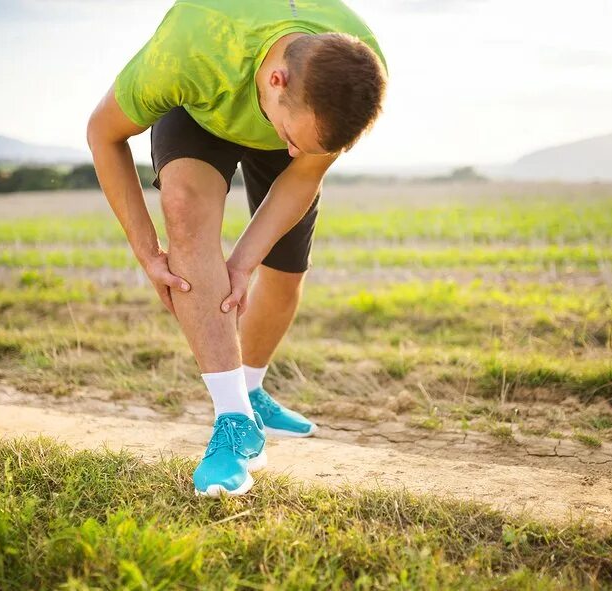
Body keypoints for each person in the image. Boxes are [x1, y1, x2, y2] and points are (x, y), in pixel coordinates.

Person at [87, 0, 387, 497]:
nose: (293, 151)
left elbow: (304, 168)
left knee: (285, 269)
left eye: (306, 144)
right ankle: (234, 422)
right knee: (184, 208)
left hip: (291, 111)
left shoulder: (356, 70)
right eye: (294, 137)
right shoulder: (191, 47)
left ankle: (249, 390)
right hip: (204, 106)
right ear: (277, 81)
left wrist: (244, 260)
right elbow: (103, 132)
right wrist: (147, 251)